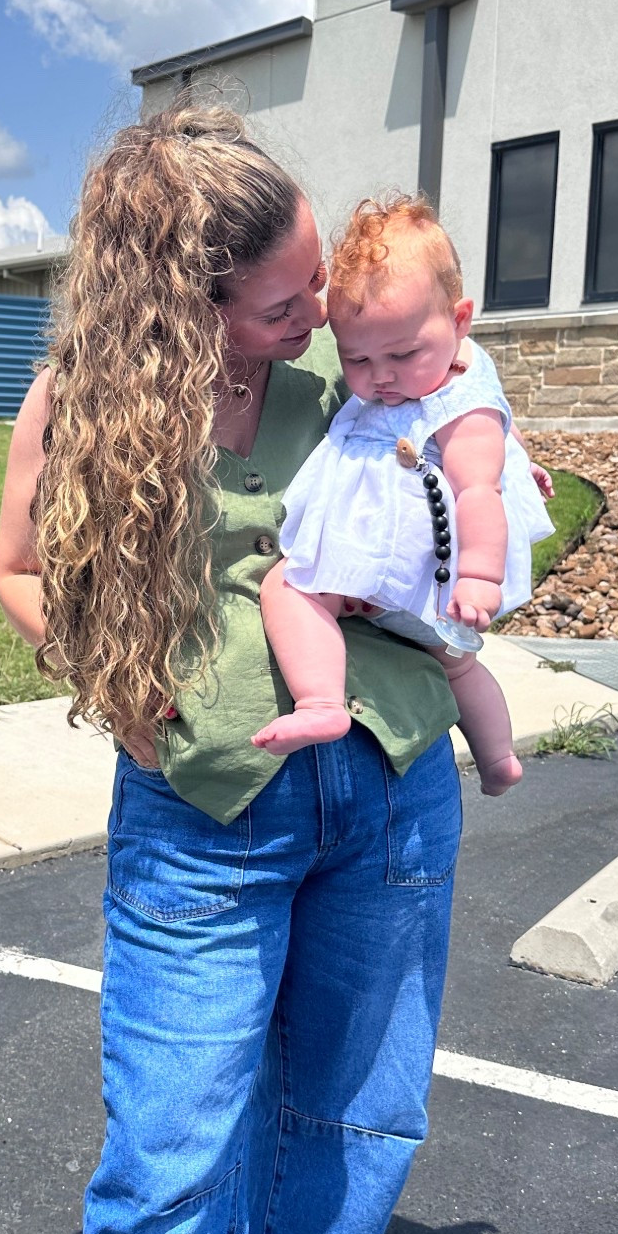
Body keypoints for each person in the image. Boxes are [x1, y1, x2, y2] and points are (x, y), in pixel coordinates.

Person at [0, 106, 465, 1234]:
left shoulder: (361, 362)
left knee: (358, 1104)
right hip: (204, 809)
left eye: (319, 277)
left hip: (386, 773)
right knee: (168, 1159)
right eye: (283, 300)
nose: (321, 311)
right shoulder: (78, 403)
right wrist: (113, 683)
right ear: (178, 307)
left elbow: (470, 478)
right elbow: (14, 571)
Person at [251, 196, 555, 797]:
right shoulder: (451, 376)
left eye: (401, 354)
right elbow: (502, 419)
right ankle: (497, 759)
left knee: (287, 587)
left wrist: (478, 579)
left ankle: (319, 701)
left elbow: (478, 492)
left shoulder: (458, 410)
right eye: (356, 358)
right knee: (459, 665)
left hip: (429, 574)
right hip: (400, 572)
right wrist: (523, 450)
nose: (380, 376)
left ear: (460, 320)